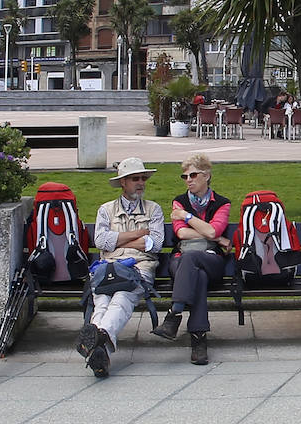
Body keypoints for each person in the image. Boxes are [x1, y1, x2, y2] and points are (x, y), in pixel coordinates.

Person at [75, 157, 164, 377]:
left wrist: (119, 239)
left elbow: (155, 244)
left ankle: (95, 341)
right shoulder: (105, 210)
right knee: (102, 302)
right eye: (135, 179)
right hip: (106, 268)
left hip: (139, 267)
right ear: (123, 182)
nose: (141, 182)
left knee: (122, 298)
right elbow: (101, 241)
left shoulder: (154, 209)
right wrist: (138, 234)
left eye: (143, 178)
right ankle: (100, 345)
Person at [151, 154, 231, 365]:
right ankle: (198, 339)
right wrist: (215, 236)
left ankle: (174, 314)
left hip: (212, 260)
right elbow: (183, 235)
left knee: (195, 261)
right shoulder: (179, 201)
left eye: (193, 175)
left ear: (207, 176)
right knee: (198, 273)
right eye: (184, 176)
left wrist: (187, 217)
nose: (188, 180)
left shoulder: (222, 203)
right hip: (181, 261)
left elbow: (213, 229)